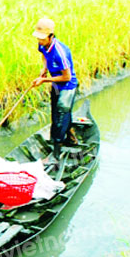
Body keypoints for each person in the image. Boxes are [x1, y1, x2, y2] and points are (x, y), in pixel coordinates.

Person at [30, 18, 78, 164]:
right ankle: (71, 137)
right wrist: (44, 70)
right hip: (57, 86)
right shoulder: (43, 45)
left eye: (42, 38)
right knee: (57, 114)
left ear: (51, 36)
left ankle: (55, 156)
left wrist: (44, 80)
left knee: (59, 120)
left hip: (67, 87)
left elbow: (66, 77)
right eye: (38, 37)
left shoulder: (60, 52)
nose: (39, 41)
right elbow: (44, 56)